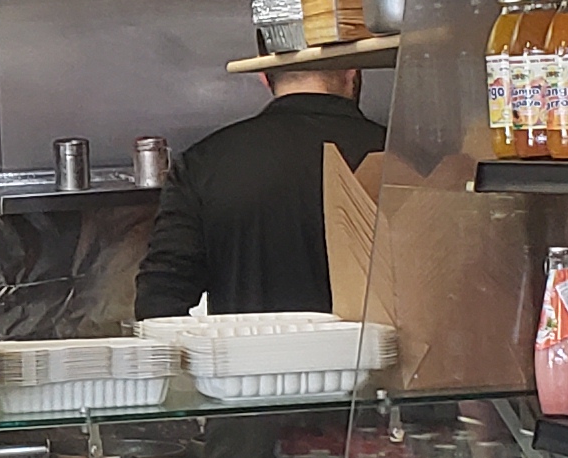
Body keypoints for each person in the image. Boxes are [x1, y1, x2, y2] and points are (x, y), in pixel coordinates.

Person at [132, 62, 385, 321]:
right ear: (352, 72)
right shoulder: (396, 154)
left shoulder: (203, 162)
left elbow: (160, 298)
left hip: (246, 348)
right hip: (382, 347)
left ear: (264, 77)